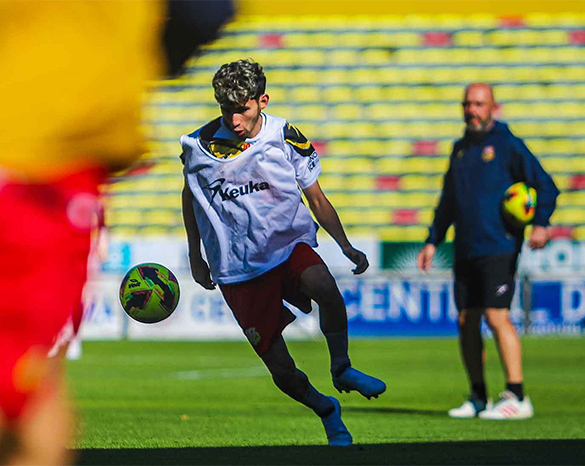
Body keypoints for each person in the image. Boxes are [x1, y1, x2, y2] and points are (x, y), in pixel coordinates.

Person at [0, 2, 232, 464]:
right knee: (31, 382)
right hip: (47, 156)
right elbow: (206, 13)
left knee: (29, 381)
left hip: (44, 156)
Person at [180, 59, 386, 446]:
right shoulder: (198, 145)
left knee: (324, 286)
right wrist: (196, 255)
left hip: (287, 244)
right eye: (226, 109)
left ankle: (341, 367)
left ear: (262, 101)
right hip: (238, 266)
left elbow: (316, 197)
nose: (234, 120)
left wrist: (344, 245)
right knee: (281, 369)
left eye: (242, 109)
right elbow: (190, 197)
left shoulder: (284, 135)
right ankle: (326, 409)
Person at [417, 83, 559, 420]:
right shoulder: (461, 149)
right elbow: (448, 201)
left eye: (479, 104)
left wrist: (541, 223)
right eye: (467, 104)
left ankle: (517, 396)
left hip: (499, 245)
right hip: (466, 246)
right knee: (466, 321)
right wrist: (433, 239)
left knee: (497, 316)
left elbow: (546, 185)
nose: (472, 110)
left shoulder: (508, 144)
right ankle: (478, 396)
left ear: (494, 107)